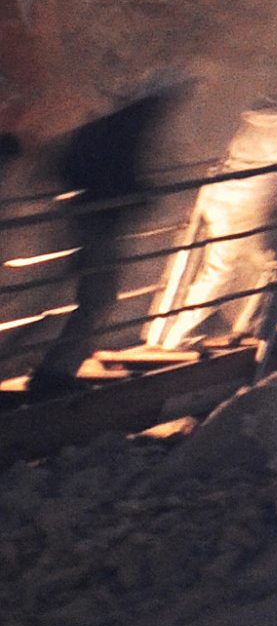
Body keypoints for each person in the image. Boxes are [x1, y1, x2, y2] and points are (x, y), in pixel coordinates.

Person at [142, 73, 277, 350]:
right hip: (247, 202)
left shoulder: (268, 114)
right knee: (258, 268)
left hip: (223, 194)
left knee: (229, 267)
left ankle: (231, 327)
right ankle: (243, 331)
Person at [28, 83, 181, 393]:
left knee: (49, 298)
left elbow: (68, 166)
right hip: (101, 225)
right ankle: (54, 375)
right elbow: (121, 177)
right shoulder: (130, 130)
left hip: (80, 219)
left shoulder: (104, 127)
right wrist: (144, 197)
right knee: (99, 298)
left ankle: (47, 369)